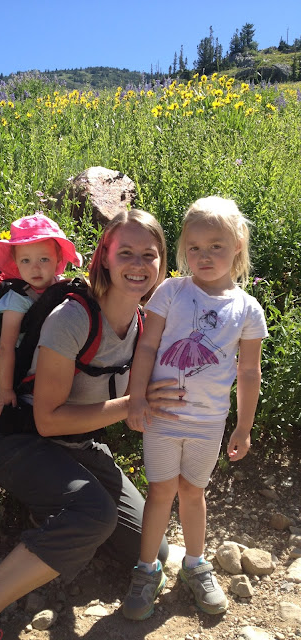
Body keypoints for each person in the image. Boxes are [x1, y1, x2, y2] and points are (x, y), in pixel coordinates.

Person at [0, 209, 185, 639]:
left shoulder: (142, 324)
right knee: (92, 515)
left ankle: (53, 515)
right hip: (22, 440)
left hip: (80, 445)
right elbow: (47, 421)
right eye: (125, 253)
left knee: (152, 548)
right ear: (103, 258)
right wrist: (132, 404)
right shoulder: (73, 317)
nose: (139, 264)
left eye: (150, 254)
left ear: (162, 263)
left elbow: (133, 414)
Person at [125, 196, 268, 620]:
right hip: (162, 418)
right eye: (194, 247)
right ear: (183, 249)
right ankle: (146, 570)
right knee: (160, 492)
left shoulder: (247, 308)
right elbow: (146, 346)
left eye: (216, 246)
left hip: (209, 423)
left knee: (193, 492)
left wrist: (243, 427)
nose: (204, 256)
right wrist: (136, 397)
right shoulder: (171, 291)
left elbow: (249, 372)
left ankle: (194, 564)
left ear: (237, 245)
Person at [0, 213, 82, 500]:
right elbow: (7, 347)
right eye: (26, 261)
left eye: (43, 259)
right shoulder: (17, 297)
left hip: (43, 357)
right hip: (6, 358)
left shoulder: (64, 287)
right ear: (16, 263)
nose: (35, 268)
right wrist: (6, 389)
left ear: (58, 260)